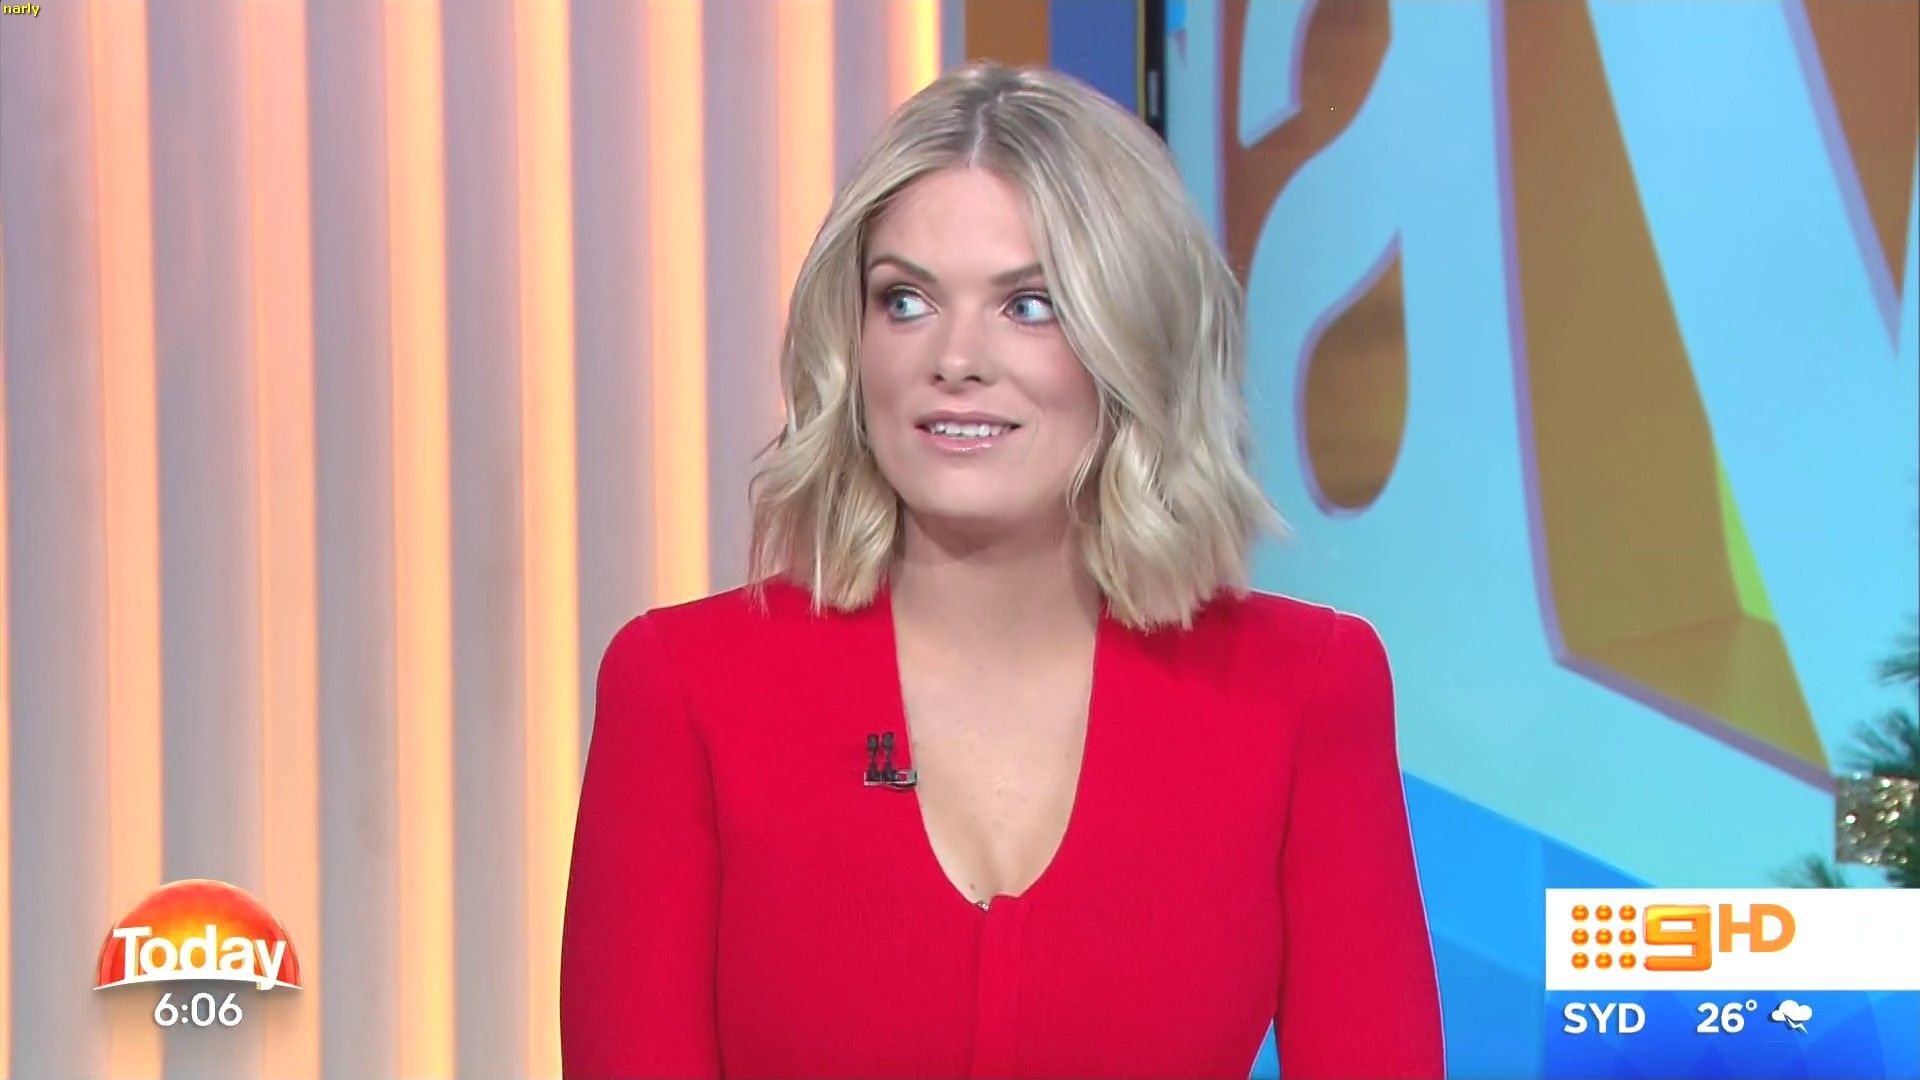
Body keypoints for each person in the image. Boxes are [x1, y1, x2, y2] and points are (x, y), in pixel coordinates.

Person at [559, 61, 1443, 1079]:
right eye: (905, 301)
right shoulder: (686, 690)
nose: (955, 358)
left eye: (1028, 305)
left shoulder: (1303, 689)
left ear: (1132, 341)